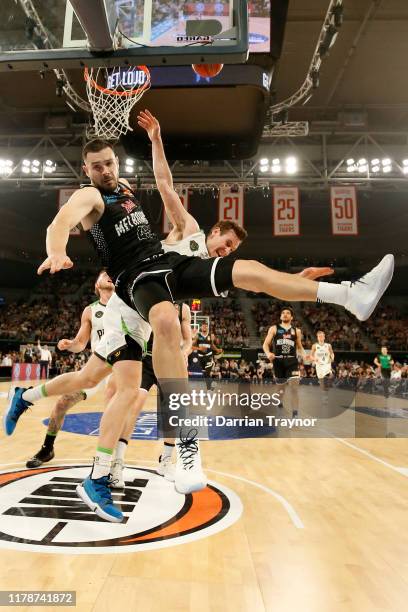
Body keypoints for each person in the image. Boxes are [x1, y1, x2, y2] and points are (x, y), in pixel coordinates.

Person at [5, 109, 394, 522]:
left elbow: (161, 188)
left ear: (118, 165)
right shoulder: (100, 199)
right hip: (133, 287)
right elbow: (64, 219)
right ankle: (144, 445)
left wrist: (293, 279)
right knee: (107, 380)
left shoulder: (128, 194)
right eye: (97, 165)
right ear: (87, 168)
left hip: (164, 278)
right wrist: (57, 250)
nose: (105, 170)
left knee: (250, 272)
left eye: (110, 163)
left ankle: (350, 295)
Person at [25, 270, 115, 468]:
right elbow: (81, 343)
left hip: (121, 367)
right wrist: (70, 344)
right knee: (62, 401)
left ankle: (112, 461)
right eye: (104, 274)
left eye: (112, 274)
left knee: (115, 411)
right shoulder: (90, 311)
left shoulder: (125, 305)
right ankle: (47, 448)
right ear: (96, 285)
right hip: (97, 368)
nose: (109, 275)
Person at [263, 306, 307, 417]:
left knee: (294, 388)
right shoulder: (274, 328)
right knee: (280, 389)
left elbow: (300, 347)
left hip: (292, 361)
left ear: (291, 317)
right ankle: (280, 401)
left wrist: (306, 356)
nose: (285, 314)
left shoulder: (297, 331)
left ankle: (295, 414)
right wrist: (268, 354)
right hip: (278, 362)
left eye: (288, 313)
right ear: (280, 316)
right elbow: (265, 344)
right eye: (283, 313)